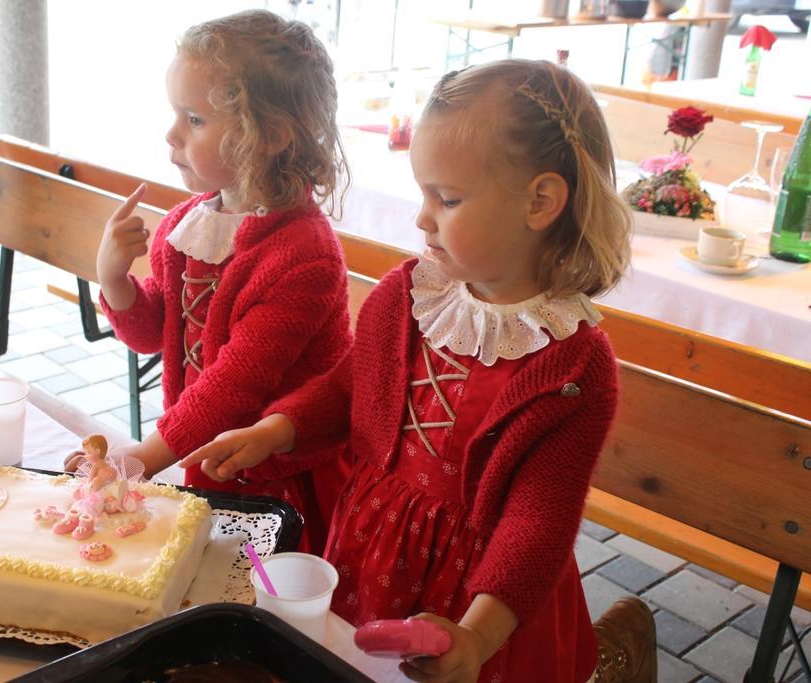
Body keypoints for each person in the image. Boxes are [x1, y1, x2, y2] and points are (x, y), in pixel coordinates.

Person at [182, 60, 657, 682]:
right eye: (423, 193)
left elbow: (539, 520)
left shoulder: (571, 363)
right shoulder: (410, 297)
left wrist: (477, 636)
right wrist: (278, 429)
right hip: (371, 549)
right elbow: (350, 385)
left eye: (448, 198)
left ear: (540, 201)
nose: (423, 218)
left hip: (480, 599)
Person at [66, 9, 352, 553]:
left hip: (279, 475)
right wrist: (113, 277)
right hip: (205, 453)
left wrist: (139, 461)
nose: (171, 134)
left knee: (267, 595)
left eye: (194, 119)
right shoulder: (189, 223)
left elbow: (232, 388)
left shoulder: (303, 257)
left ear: (268, 135)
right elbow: (155, 332)